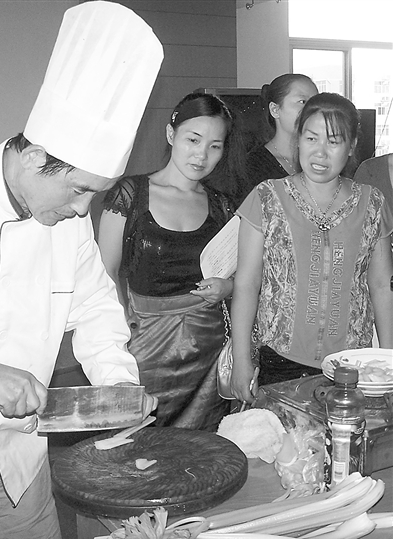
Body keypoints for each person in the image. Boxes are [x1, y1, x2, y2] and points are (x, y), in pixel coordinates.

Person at [0, 2, 163, 539]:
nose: (83, 209)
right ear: (36, 156)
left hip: (15, 466)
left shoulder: (67, 220)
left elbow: (93, 306)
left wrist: (118, 386)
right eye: (78, 189)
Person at [231, 92, 393, 405]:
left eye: (333, 141)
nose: (320, 152)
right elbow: (246, 283)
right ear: (298, 140)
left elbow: (382, 286)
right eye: (311, 138)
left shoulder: (372, 202)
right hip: (279, 359)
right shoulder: (267, 197)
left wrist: (388, 362)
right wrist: (241, 360)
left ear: (351, 146)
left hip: (352, 365)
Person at [98, 92, 246, 431]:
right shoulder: (130, 194)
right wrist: (119, 331)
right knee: (137, 436)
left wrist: (227, 287)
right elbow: (105, 272)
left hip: (207, 347)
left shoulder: (223, 205)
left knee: (203, 442)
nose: (202, 155)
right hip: (143, 343)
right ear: (171, 134)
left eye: (215, 146)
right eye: (193, 140)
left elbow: (248, 276)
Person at [245, 74, 318, 192]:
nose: (313, 110)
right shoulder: (251, 167)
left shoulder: (323, 158)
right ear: (275, 110)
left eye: (315, 102)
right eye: (302, 101)